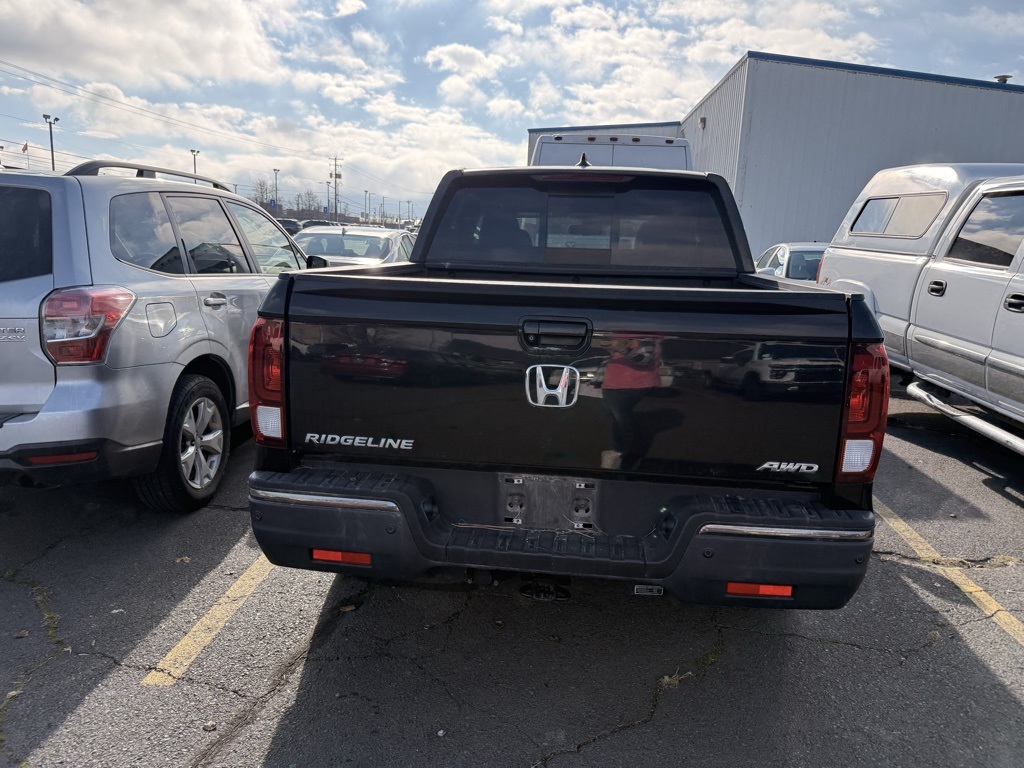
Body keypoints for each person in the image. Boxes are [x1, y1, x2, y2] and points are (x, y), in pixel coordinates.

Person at [599, 335, 662, 469]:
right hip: (614, 384)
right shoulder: (619, 327)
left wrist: (624, 349)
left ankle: (624, 459)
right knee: (619, 421)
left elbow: (645, 359)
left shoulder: (643, 329)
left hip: (633, 384)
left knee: (623, 423)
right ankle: (622, 458)